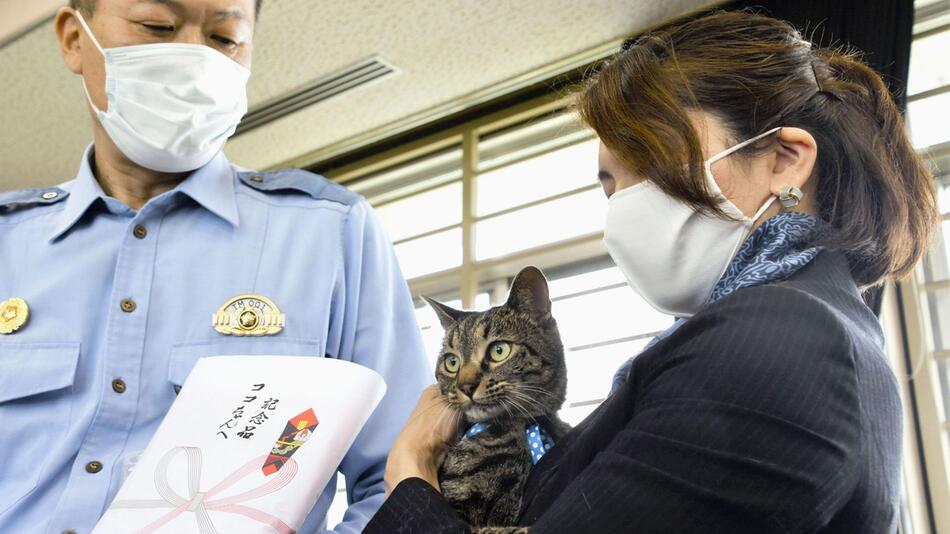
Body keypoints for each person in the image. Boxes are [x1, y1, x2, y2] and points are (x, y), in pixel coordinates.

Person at [367, 10, 940, 533]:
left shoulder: (780, 336)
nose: (624, 206)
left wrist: (411, 473)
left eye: (650, 159)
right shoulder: (813, 322)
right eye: (610, 184)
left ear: (783, 161)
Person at [0, 1, 431, 532]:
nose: (191, 56)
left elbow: (405, 476)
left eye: (224, 37)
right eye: (157, 25)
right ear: (73, 37)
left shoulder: (330, 232)